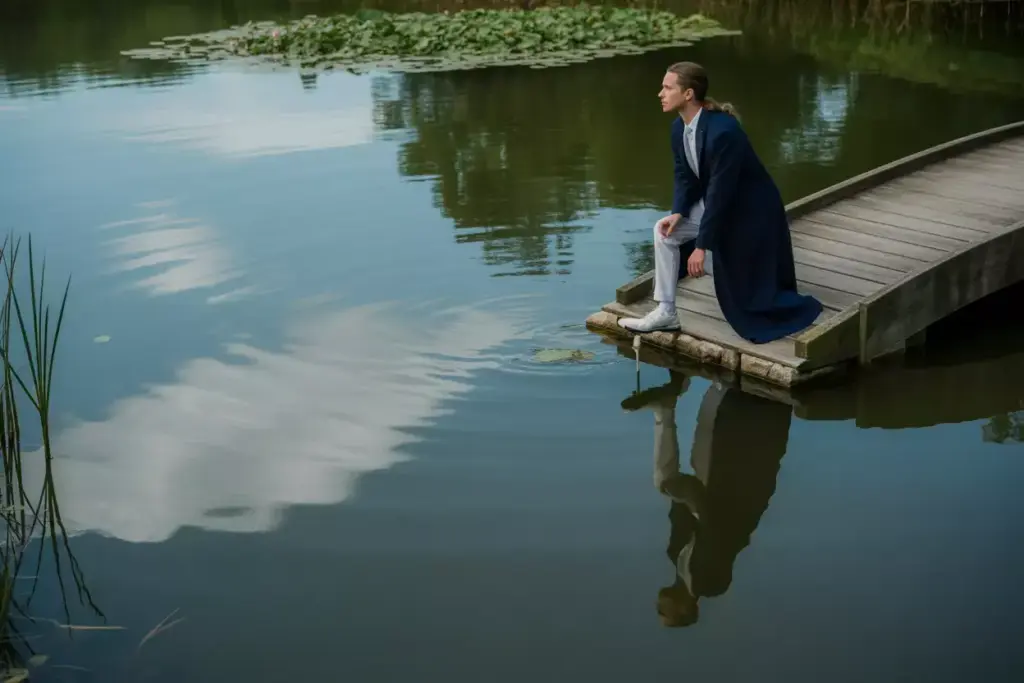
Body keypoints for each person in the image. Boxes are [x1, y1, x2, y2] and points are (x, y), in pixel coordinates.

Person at [618, 62, 823, 343]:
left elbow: (720, 191)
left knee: (748, 295)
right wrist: (678, 212)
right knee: (664, 231)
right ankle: (666, 311)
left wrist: (702, 246)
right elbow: (684, 176)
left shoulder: (724, 132)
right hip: (721, 204)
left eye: (667, 87)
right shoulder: (679, 128)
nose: (660, 93)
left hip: (751, 211)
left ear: (688, 93)